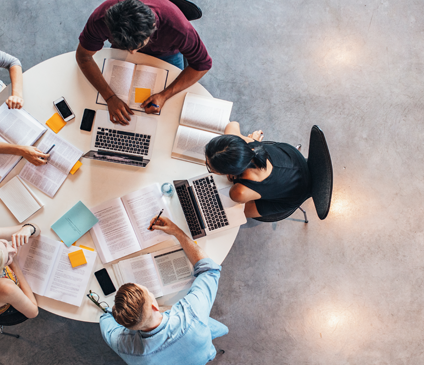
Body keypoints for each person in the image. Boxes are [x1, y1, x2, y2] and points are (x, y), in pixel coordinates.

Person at [98, 216, 227, 365]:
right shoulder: (192, 313)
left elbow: (105, 320)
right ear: (154, 305)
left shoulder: (123, 346)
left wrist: (113, 312)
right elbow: (210, 270)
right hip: (203, 354)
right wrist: (177, 232)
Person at [76, 0, 212, 125]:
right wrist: (110, 97)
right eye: (128, 48)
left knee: (169, 112)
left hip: (166, 55)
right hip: (119, 51)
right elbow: (83, 57)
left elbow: (202, 65)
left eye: (137, 46)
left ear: (153, 27)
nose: (132, 54)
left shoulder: (179, 29)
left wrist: (165, 95)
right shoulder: (101, 18)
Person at [205, 122, 311, 218]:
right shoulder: (248, 142)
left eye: (210, 168)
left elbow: (238, 197)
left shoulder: (239, 192)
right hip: (294, 159)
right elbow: (232, 125)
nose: (205, 164)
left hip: (295, 194)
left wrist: (235, 178)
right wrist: (251, 141)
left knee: (235, 214)